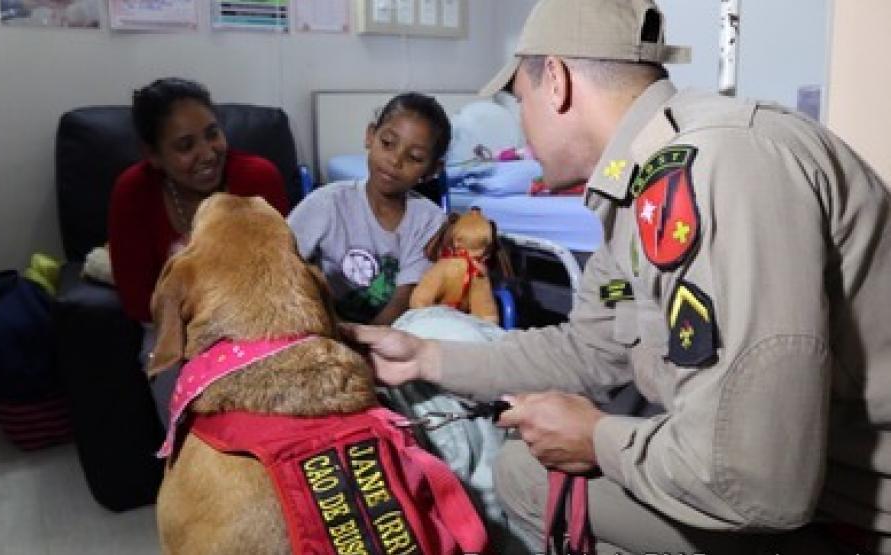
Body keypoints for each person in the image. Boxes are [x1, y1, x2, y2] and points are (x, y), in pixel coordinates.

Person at [342, 0, 891, 553]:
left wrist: (598, 439)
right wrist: (425, 357)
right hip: (805, 483)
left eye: (520, 99)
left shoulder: (716, 167)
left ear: (556, 81)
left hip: (849, 509)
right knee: (520, 470)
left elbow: (761, 484)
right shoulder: (640, 185)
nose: (522, 126)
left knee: (529, 480)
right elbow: (590, 349)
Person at [108, 77, 290, 424]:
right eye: (185, 145)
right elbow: (137, 300)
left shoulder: (258, 178)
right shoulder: (132, 192)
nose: (207, 153)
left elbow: (279, 269)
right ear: (154, 156)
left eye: (212, 134)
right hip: (171, 323)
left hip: (255, 316)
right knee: (170, 377)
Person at [288, 92, 449, 325]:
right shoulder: (327, 203)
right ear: (370, 136)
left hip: (393, 332)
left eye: (414, 157)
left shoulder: (430, 221)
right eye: (387, 144)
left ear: (433, 170)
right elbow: (281, 262)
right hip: (323, 326)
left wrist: (365, 341)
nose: (395, 161)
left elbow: (404, 299)